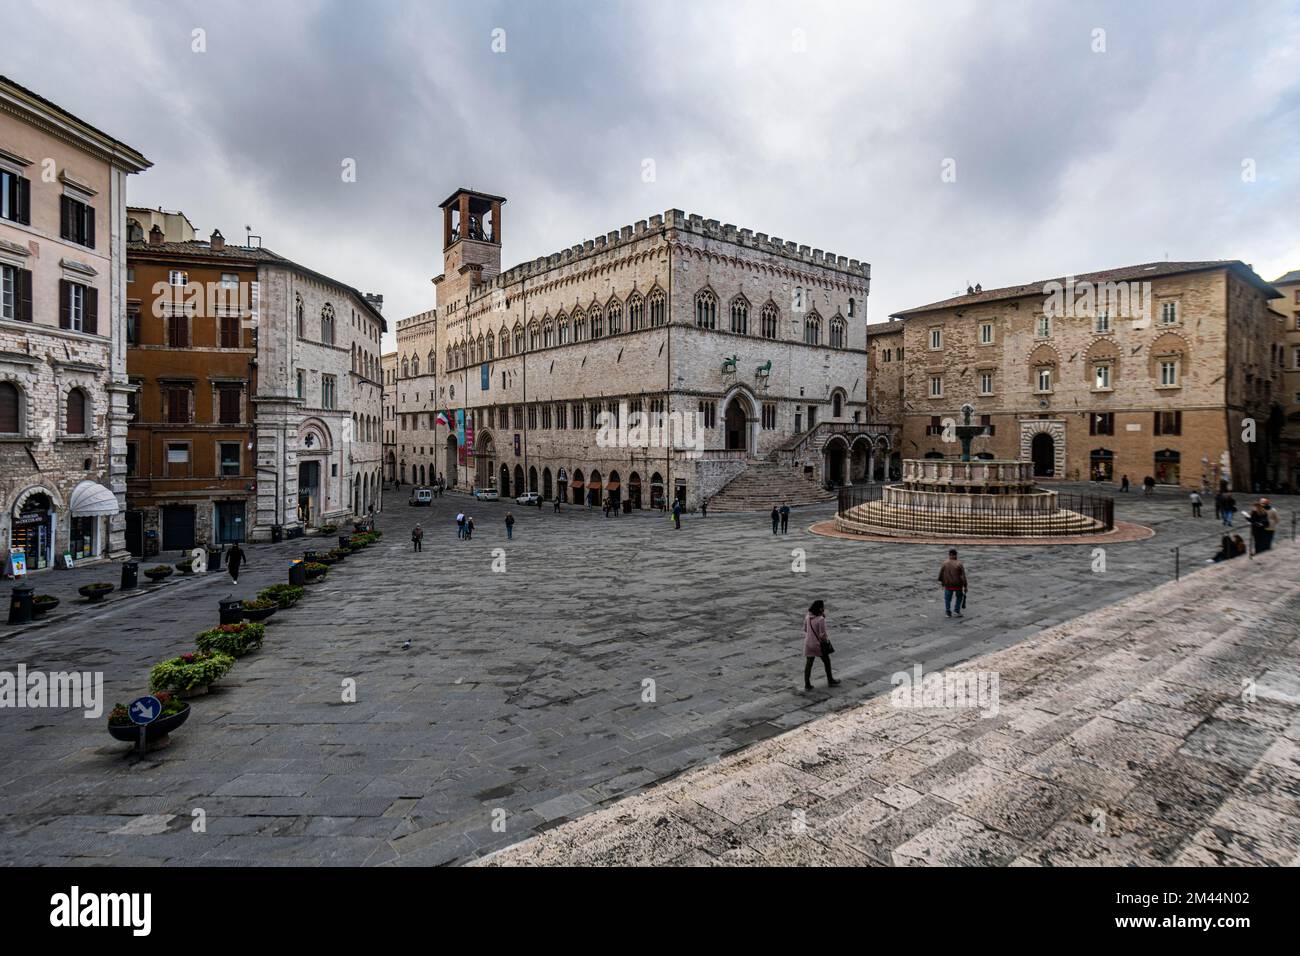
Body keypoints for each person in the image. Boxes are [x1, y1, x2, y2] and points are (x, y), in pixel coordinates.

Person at [802, 599, 840, 690]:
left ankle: (807, 684)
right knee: (827, 661)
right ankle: (830, 680)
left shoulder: (808, 616)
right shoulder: (821, 619)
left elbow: (805, 629)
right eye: (823, 607)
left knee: (809, 664)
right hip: (818, 645)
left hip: (808, 643)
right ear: (820, 609)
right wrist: (826, 640)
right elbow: (822, 634)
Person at [938, 548, 968, 618]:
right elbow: (963, 576)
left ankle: (948, 612)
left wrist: (942, 583)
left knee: (947, 599)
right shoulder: (959, 564)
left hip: (948, 584)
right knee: (959, 597)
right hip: (958, 584)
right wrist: (965, 586)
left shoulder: (944, 563)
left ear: (949, 555)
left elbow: (941, 574)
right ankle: (956, 611)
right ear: (955, 555)